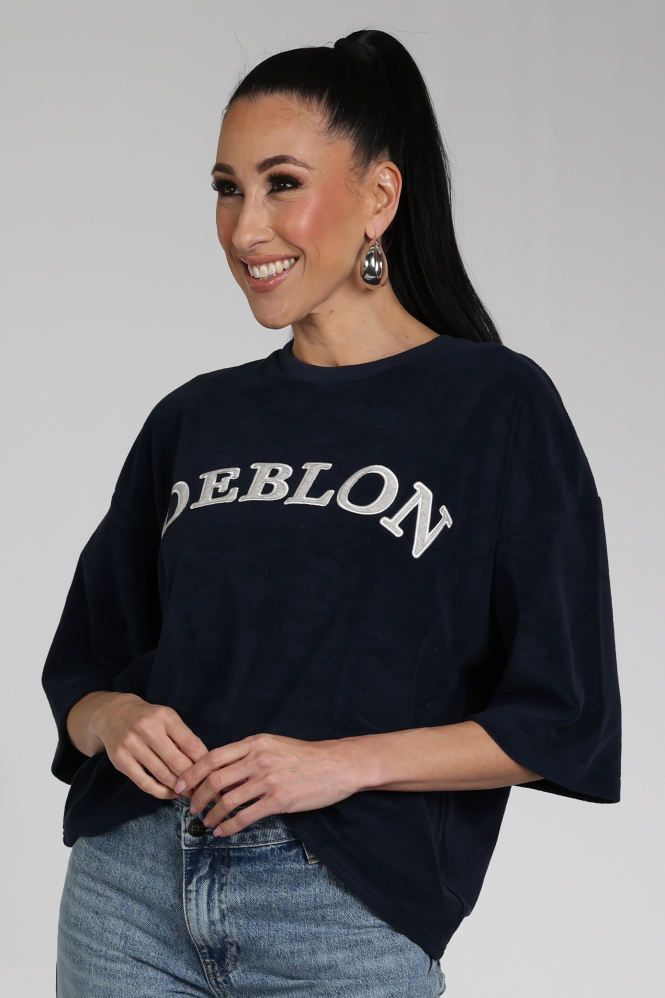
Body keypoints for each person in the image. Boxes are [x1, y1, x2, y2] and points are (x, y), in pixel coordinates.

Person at [43, 28, 621, 998]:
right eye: (226, 188)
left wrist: (339, 765)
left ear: (378, 197)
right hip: (128, 889)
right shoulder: (193, 417)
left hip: (339, 911)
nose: (245, 229)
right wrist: (115, 715)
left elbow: (562, 716)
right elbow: (83, 665)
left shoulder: (494, 405)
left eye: (281, 184)